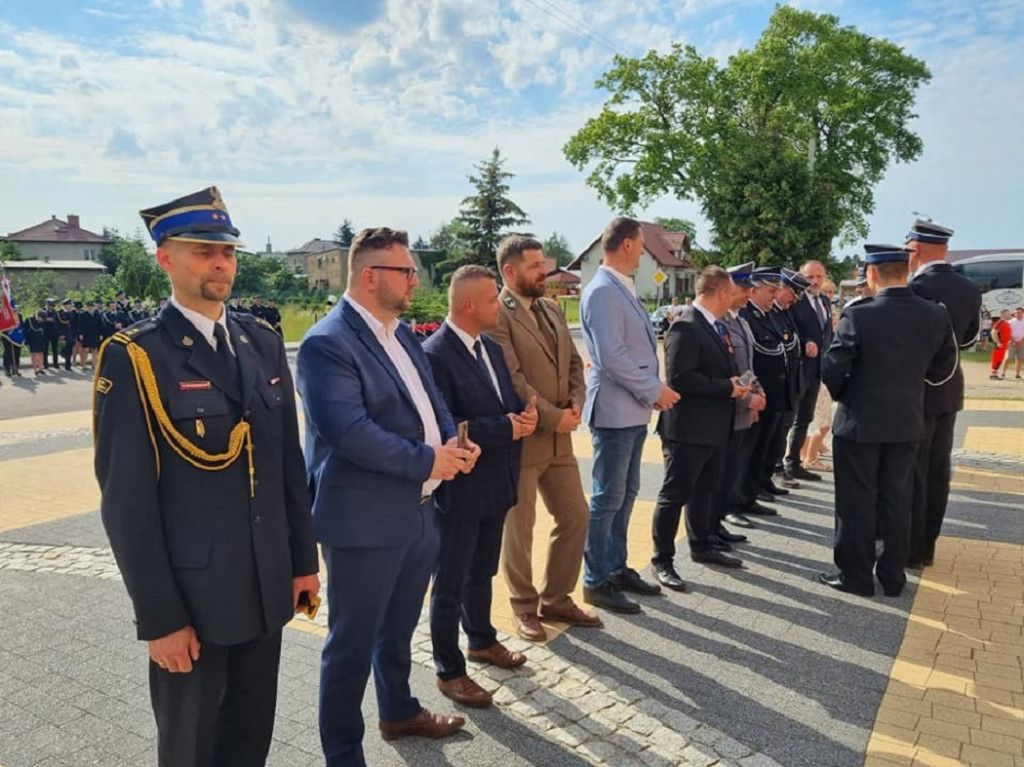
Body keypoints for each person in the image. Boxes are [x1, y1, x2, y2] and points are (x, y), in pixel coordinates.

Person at [93, 186, 320, 766]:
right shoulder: (137, 356)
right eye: (202, 251)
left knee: (249, 740)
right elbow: (127, 505)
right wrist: (161, 618)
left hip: (265, 587)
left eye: (227, 251)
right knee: (190, 747)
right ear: (165, 258)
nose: (221, 263)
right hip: (192, 602)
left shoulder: (262, 342)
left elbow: (286, 465)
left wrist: (301, 563)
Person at [297, 227, 477, 766]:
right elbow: (348, 431)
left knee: (398, 628)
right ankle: (344, 755)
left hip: (420, 512)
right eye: (406, 271)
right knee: (351, 645)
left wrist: (452, 443)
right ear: (371, 275)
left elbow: (431, 398)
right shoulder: (327, 342)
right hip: (363, 520)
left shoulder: (398, 333)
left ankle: (398, 710)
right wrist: (428, 460)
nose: (415, 280)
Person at [423, 265, 537, 708]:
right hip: (463, 486)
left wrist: (521, 418)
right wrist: (503, 428)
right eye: (493, 299)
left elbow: (504, 402)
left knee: (482, 571)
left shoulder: (488, 346)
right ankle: (449, 669)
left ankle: (481, 639)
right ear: (468, 304)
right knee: (450, 579)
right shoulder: (434, 353)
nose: (499, 306)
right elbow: (445, 423)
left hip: (497, 482)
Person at [819, 245, 956, 597]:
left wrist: (846, 395)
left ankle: (856, 576)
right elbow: (944, 368)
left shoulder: (859, 314)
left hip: (859, 423)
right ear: (905, 271)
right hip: (908, 421)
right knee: (898, 499)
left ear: (872, 273)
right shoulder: (933, 314)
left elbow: (833, 367)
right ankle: (893, 577)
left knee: (856, 501)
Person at [488, 234, 600, 642]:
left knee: (575, 516)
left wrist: (575, 402)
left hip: (560, 440)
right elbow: (511, 380)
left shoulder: (552, 309)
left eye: (544, 264)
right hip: (524, 440)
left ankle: (557, 597)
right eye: (536, 266)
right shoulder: (497, 314)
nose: (545, 272)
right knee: (520, 528)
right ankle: (523, 606)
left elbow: (574, 362)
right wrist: (555, 418)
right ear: (510, 271)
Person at [579, 217, 679, 612]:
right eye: (640, 245)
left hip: (633, 409)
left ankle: (616, 567)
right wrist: (654, 390)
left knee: (626, 494)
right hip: (615, 411)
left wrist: (649, 395)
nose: (642, 251)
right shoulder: (603, 291)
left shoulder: (621, 288)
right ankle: (595, 579)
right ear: (624, 245)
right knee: (607, 498)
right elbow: (611, 357)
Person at [652, 266, 752, 586]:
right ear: (720, 292)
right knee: (675, 494)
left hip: (713, 427)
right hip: (687, 429)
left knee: (705, 491)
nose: (736, 296)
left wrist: (732, 383)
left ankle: (701, 544)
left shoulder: (713, 325)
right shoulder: (686, 326)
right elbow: (682, 379)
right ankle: (662, 560)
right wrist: (727, 387)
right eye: (733, 290)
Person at [904, 221, 983, 568]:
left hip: (915, 388)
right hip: (949, 386)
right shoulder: (969, 287)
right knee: (938, 471)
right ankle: (926, 549)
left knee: (910, 471)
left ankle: (908, 548)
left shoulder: (914, 288)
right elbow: (967, 339)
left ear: (915, 250)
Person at [717, 263, 767, 532]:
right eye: (744, 289)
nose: (749, 294)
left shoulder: (741, 322)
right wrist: (747, 399)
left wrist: (756, 391)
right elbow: (729, 370)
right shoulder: (720, 323)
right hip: (729, 406)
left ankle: (729, 508)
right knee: (723, 467)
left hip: (744, 403)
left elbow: (746, 367)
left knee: (737, 460)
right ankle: (724, 511)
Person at [784, 260, 833, 482]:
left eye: (818, 277)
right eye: (809, 277)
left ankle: (794, 463)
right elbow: (788, 328)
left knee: (805, 417)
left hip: (817, 369)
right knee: (788, 418)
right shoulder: (796, 301)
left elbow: (826, 335)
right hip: (798, 368)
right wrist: (804, 342)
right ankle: (778, 465)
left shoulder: (824, 300)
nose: (814, 282)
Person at [801, 279, 838, 472]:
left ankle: (808, 454)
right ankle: (809, 457)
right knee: (820, 418)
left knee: (816, 418)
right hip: (812, 369)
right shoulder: (806, 306)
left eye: (832, 292)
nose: (830, 295)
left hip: (824, 365)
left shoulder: (827, 308)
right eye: (827, 291)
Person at [1003, 306, 1024, 379]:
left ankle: (1017, 374)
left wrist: (1021, 341)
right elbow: (1007, 332)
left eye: (1020, 313)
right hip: (1011, 343)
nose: (1018, 314)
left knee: (1020, 359)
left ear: (1023, 313)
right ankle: (1003, 373)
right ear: (1014, 314)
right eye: (1016, 313)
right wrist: (1013, 341)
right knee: (1008, 358)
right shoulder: (1010, 322)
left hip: (1022, 343)